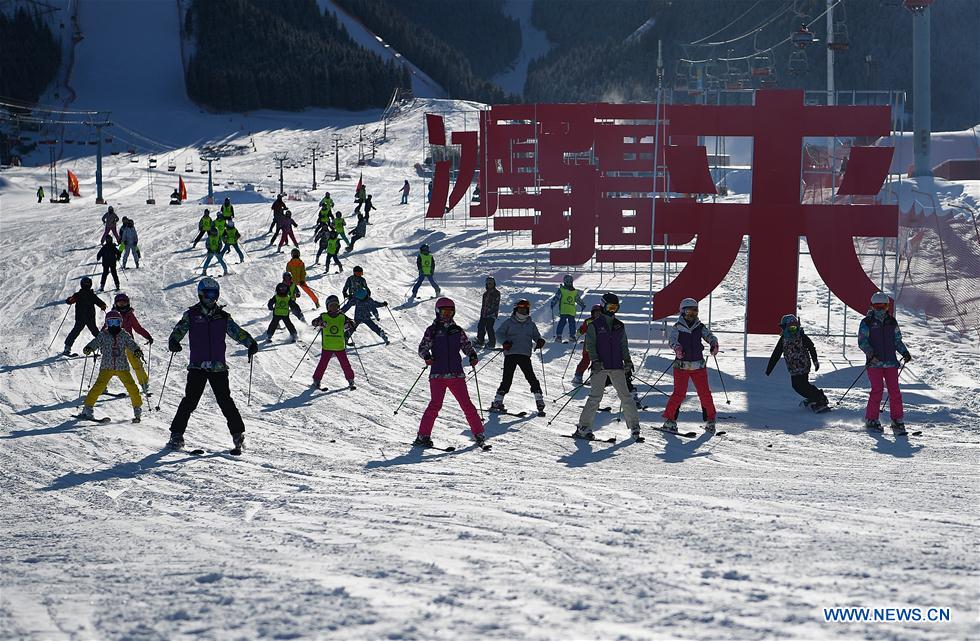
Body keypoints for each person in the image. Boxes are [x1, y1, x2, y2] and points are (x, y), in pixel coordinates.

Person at [166, 278, 258, 453]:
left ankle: (238, 434)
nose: (211, 297)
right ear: (201, 294)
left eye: (214, 294)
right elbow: (179, 329)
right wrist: (174, 341)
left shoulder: (222, 317)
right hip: (197, 366)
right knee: (190, 401)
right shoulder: (192, 315)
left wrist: (250, 343)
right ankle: (176, 435)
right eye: (208, 293)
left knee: (225, 401)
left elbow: (236, 332)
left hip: (218, 367)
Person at [415, 297, 485, 447]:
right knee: (435, 405)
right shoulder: (433, 330)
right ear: (438, 312)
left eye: (450, 312)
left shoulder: (457, 330)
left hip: (456, 374)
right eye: (444, 312)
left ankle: (478, 432)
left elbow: (466, 346)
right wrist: (427, 356)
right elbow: (422, 348)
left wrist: (472, 355)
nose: (447, 314)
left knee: (466, 404)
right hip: (438, 375)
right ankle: (423, 435)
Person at [572, 293, 642, 440]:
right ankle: (583, 427)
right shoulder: (595, 325)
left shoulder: (619, 325)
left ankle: (634, 426)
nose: (612, 310)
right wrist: (595, 361)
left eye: (615, 308)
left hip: (616, 366)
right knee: (595, 397)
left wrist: (628, 361)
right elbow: (590, 345)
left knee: (626, 396)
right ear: (603, 306)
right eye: (610, 307)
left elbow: (623, 345)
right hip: (600, 366)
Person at [858, 291, 913, 434]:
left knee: (895, 391)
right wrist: (871, 354)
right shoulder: (867, 322)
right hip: (874, 363)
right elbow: (862, 341)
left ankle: (897, 420)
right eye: (877, 306)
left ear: (887, 306)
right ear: (872, 306)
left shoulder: (891, 322)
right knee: (877, 390)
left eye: (883, 306)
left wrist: (905, 352)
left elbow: (897, 340)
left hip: (891, 363)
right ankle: (871, 419)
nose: (880, 309)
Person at [662, 297, 719, 434]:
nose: (692, 315)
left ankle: (710, 420)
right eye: (689, 312)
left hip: (698, 366)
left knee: (705, 394)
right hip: (682, 366)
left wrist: (714, 344)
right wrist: (677, 348)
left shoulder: (699, 326)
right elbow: (672, 340)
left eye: (695, 312)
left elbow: (709, 336)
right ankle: (670, 420)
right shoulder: (677, 327)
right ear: (682, 312)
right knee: (679, 394)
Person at [79, 310, 144, 422]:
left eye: (116, 322)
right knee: (99, 387)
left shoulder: (124, 335)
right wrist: (89, 347)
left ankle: (137, 408)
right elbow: (96, 342)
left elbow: (131, 343)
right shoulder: (103, 335)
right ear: (107, 323)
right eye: (110, 322)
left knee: (132, 387)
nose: (113, 325)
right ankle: (87, 408)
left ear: (120, 323)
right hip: (107, 366)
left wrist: (137, 350)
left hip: (122, 367)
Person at [490, 299, 547, 415]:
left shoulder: (530, 324)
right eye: (520, 309)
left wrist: (539, 341)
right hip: (511, 353)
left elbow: (536, 336)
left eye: (525, 310)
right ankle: (498, 401)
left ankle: (539, 399)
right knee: (507, 378)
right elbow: (499, 333)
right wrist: (504, 342)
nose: (522, 311)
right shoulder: (509, 322)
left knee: (530, 377)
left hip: (524, 354)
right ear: (516, 309)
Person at [765, 313, 828, 412]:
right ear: (784, 328)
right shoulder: (783, 340)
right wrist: (769, 369)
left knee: (800, 386)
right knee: (800, 386)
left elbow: (811, 347)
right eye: (791, 329)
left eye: (795, 328)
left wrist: (815, 360)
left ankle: (820, 398)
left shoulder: (801, 336)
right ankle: (815, 397)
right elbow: (776, 354)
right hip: (793, 368)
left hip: (803, 365)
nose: (793, 332)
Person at [111, 292, 154, 395]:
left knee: (136, 363)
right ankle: (103, 385)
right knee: (112, 365)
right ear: (116, 304)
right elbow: (106, 326)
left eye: (124, 303)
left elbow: (137, 327)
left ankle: (144, 383)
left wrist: (147, 336)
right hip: (115, 343)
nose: (122, 305)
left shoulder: (129, 315)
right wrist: (100, 338)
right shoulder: (113, 315)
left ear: (128, 303)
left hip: (129, 342)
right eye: (119, 303)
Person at [311, 295, 356, 390]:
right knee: (323, 364)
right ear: (328, 307)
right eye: (331, 306)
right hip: (327, 346)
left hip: (339, 346)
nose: (334, 307)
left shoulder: (342, 317)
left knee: (345, 364)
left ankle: (350, 379)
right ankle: (316, 380)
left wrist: (349, 324)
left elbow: (352, 322)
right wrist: (320, 323)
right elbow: (313, 322)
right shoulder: (324, 316)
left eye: (336, 305)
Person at [63, 276, 107, 355]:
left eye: (87, 283)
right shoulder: (82, 295)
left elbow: (98, 301)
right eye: (86, 283)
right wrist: (102, 306)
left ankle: (67, 347)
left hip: (84, 317)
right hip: (85, 317)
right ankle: (103, 346)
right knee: (91, 331)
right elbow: (69, 301)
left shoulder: (81, 295)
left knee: (78, 331)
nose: (86, 285)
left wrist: (102, 305)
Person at [571, 305, 603, 385]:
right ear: (593, 313)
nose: (598, 314)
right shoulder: (589, 321)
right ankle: (578, 376)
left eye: (599, 313)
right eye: (596, 313)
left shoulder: (603, 322)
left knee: (597, 362)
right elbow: (583, 329)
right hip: (588, 345)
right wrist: (579, 332)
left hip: (599, 345)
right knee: (585, 360)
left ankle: (594, 379)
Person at [550, 274, 586, 342]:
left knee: (571, 323)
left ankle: (571, 336)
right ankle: (559, 336)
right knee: (563, 322)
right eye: (567, 281)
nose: (569, 283)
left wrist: (582, 304)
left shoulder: (574, 291)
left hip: (570, 311)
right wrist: (553, 303)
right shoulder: (562, 290)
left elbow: (578, 299)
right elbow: (557, 297)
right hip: (564, 310)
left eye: (570, 281)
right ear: (565, 281)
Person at [474, 275, 500, 349]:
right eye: (488, 283)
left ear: (494, 284)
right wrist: (482, 313)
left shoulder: (496, 293)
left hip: (492, 314)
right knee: (481, 326)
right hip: (484, 314)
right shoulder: (485, 294)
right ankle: (480, 340)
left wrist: (492, 312)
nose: (490, 285)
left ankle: (492, 343)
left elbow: (496, 304)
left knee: (489, 327)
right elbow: (483, 305)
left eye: (491, 283)